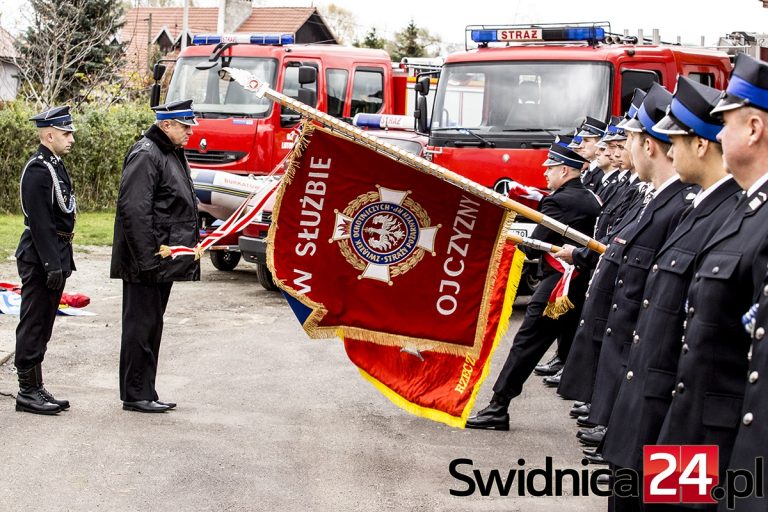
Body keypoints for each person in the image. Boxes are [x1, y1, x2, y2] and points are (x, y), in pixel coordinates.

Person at [601, 77, 740, 511]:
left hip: (680, 413)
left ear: (700, 146)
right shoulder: (700, 206)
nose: (669, 147)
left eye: (676, 138)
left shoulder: (729, 212)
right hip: (650, 404)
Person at [653, 53, 768, 510]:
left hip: (727, 444)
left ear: (755, 129)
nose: (716, 135)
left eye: (727, 123)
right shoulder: (745, 209)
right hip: (692, 424)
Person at [465, 143, 600, 430]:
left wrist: (504, 236)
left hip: (558, 286)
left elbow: (536, 247)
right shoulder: (590, 197)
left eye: (550, 169)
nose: (546, 175)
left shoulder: (558, 201)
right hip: (584, 283)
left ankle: (498, 406)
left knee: (526, 344)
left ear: (564, 170)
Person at [111, 99, 200, 413]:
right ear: (167, 125)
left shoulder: (168, 152)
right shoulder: (148, 154)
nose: (191, 132)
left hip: (161, 260)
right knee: (140, 326)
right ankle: (136, 394)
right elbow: (134, 211)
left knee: (151, 325)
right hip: (145, 261)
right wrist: (148, 260)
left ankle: (145, 389)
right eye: (185, 126)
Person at [14, 106, 77, 415]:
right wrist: (52, 264)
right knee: (34, 321)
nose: (72, 139)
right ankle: (27, 391)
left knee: (45, 323)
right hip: (41, 255)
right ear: (49, 135)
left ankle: (36, 386)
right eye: (66, 133)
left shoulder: (55, 165)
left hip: (56, 252)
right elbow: (40, 222)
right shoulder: (39, 169)